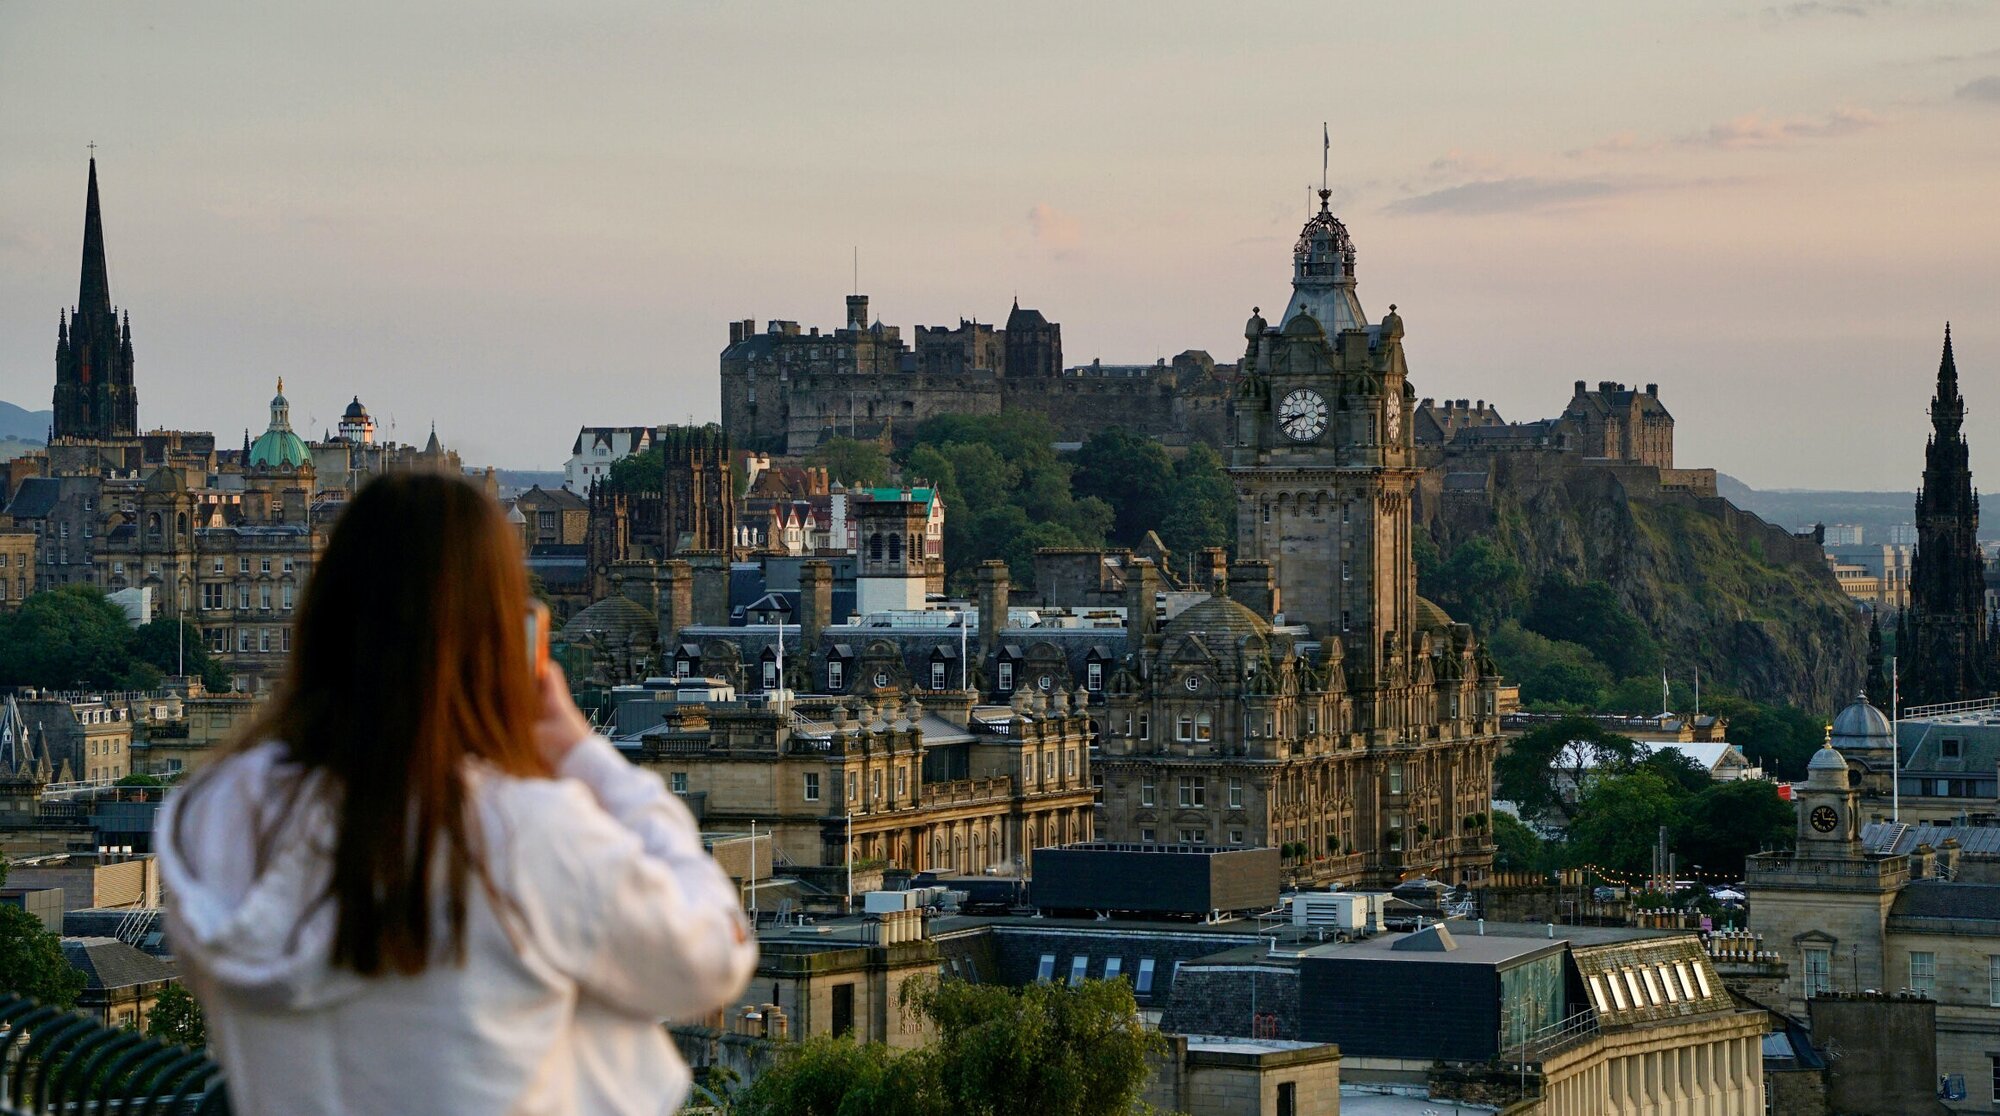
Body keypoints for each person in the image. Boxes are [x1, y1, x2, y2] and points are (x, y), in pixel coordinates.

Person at [158, 473, 756, 1115]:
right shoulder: (522, 831)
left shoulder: (213, 814)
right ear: (499, 636)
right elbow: (714, 954)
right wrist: (584, 753)